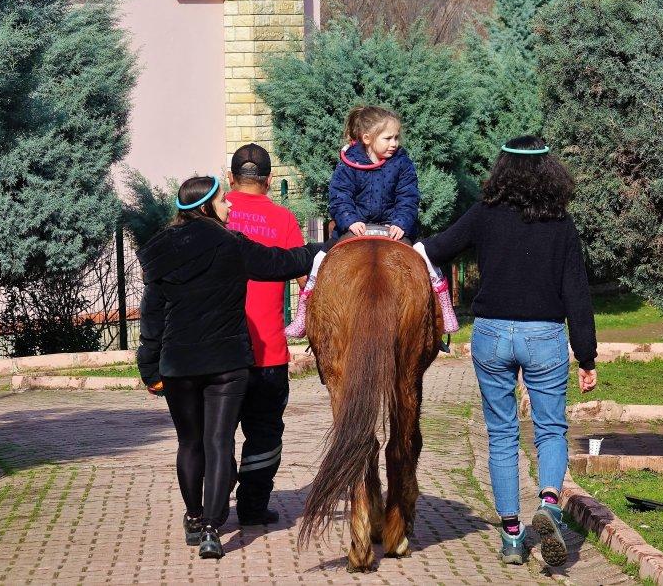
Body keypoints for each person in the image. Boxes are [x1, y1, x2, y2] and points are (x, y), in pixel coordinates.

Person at [415, 135, 599, 567]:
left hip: (492, 335)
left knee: (501, 436)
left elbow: (431, 250)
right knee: (551, 428)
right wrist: (586, 356)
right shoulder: (561, 223)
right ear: (549, 173)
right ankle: (550, 504)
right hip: (544, 337)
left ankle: (513, 538)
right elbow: (577, 294)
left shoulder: (484, 215)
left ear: (502, 170)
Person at [136, 175, 324, 560]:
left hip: (179, 364)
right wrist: (326, 248)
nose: (230, 205)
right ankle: (211, 530)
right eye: (224, 200)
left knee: (189, 443)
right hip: (226, 363)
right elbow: (280, 263)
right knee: (218, 442)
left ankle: (193, 516)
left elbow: (152, 315)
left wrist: (149, 367)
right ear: (205, 206)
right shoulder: (231, 243)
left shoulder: (159, 250)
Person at [284, 105, 458, 337]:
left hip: (393, 228)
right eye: (388, 138)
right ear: (367, 138)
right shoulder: (348, 163)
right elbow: (339, 197)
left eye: (396, 137)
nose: (394, 143)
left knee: (425, 256)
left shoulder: (402, 163)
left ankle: (442, 305)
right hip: (357, 228)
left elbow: (408, 196)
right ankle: (304, 312)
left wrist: (401, 223)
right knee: (320, 259)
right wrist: (350, 220)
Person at [223, 143, 304, 526]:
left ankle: (213, 506)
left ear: (230, 178)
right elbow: (308, 282)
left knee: (216, 432)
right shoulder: (285, 219)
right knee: (265, 432)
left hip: (218, 353)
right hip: (269, 352)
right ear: (270, 181)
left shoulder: (215, 215)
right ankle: (253, 507)